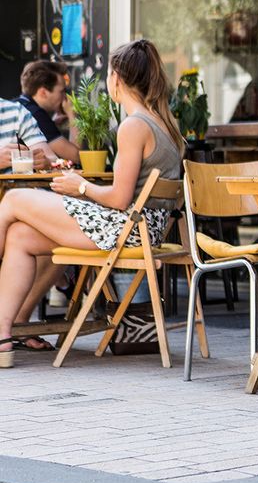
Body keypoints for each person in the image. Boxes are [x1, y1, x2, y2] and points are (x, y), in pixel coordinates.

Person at [0, 40, 183, 368]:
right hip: (141, 229)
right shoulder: (165, 123)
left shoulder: (134, 126)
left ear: (117, 79)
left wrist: (80, 186)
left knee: (12, 198)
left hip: (124, 229)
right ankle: (2, 336)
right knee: (20, 236)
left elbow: (119, 198)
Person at [16, 60, 79, 164]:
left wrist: (52, 124)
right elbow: (76, 156)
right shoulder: (35, 114)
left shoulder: (20, 106)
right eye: (62, 91)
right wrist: (72, 115)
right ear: (43, 92)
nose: (65, 97)